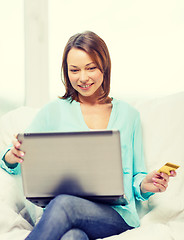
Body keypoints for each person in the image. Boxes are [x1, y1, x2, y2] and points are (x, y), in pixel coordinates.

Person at [0, 31, 176, 240]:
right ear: (66, 72)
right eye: (74, 70)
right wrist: (11, 157)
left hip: (114, 216)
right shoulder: (52, 112)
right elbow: (21, 161)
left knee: (64, 203)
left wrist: (145, 184)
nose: (82, 78)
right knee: (73, 237)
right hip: (60, 214)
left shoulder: (129, 116)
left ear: (104, 66)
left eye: (90, 68)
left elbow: (137, 176)